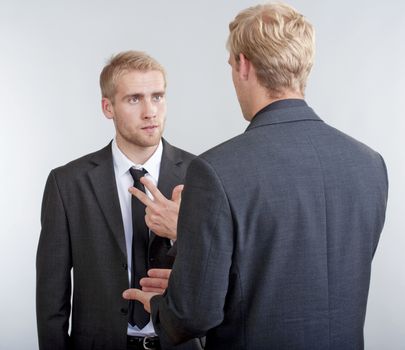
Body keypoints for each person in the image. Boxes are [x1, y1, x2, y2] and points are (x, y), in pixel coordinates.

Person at [123, 3, 389, 349]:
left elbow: (194, 316)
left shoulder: (216, 170)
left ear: (243, 64)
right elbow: (311, 267)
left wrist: (161, 305)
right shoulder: (370, 163)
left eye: (231, 65)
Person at [36, 51, 203, 350]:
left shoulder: (201, 177)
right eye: (134, 99)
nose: (151, 111)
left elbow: (223, 274)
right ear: (107, 107)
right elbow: (51, 295)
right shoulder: (67, 184)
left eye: (158, 96)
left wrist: (182, 232)